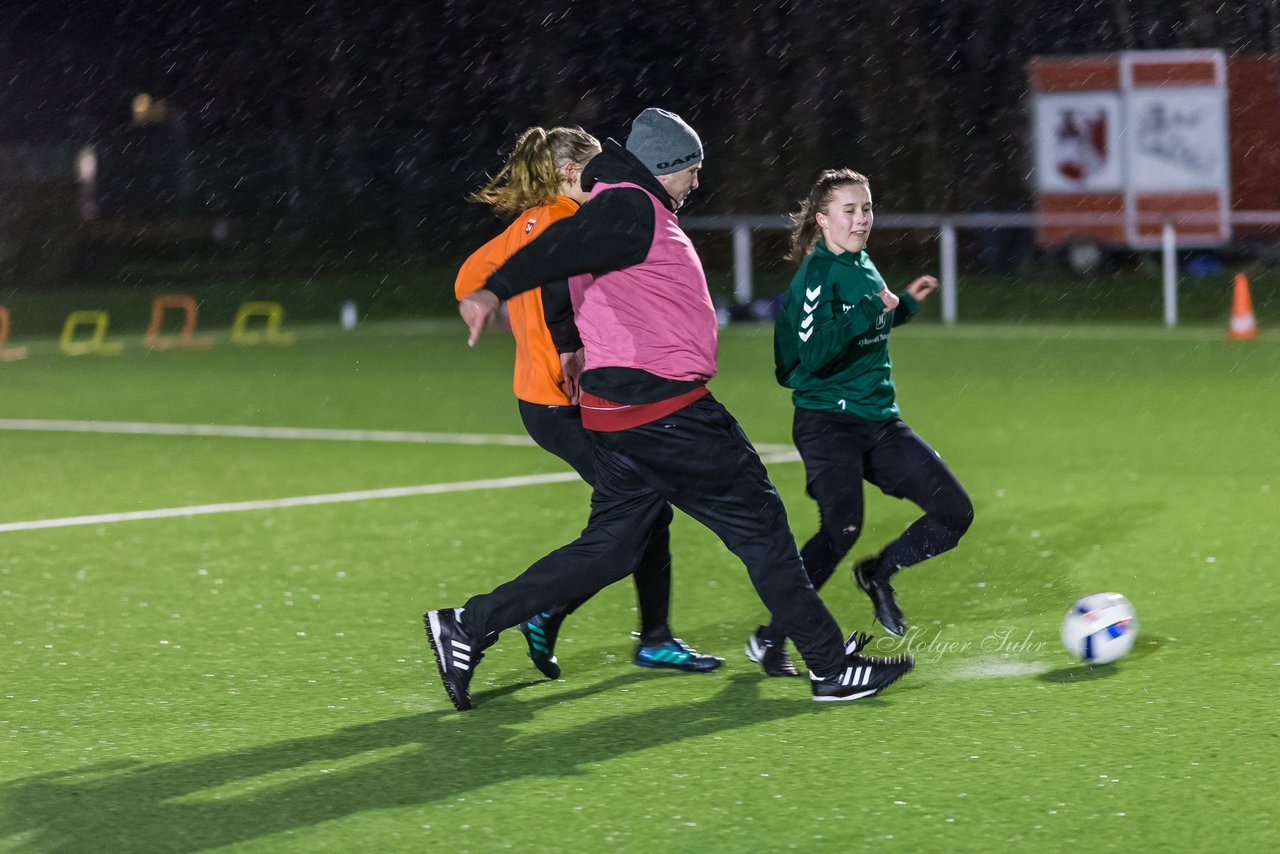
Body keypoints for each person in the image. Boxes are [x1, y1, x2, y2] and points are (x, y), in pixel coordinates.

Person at [425, 109, 913, 710]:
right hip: (668, 414)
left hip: (626, 416)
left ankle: (467, 626)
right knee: (761, 529)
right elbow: (563, 246)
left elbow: (565, 267)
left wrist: (569, 341)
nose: (696, 183)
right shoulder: (628, 203)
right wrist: (493, 291)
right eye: (692, 170)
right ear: (666, 167)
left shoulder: (622, 203)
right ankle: (832, 668)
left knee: (612, 547)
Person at [455, 125, 721, 678]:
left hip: (544, 402)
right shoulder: (568, 219)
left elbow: (468, 280)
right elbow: (557, 293)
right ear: (572, 173)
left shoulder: (525, 224)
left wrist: (508, 318)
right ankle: (524, 616)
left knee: (641, 514)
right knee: (631, 522)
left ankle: (615, 628)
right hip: (568, 400)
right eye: (596, 170)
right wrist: (564, 346)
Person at [747, 168, 973, 677]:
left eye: (866, 208)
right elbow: (813, 353)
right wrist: (869, 309)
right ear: (822, 220)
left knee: (954, 513)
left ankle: (878, 572)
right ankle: (772, 638)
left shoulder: (862, 264)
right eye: (849, 210)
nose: (862, 218)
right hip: (827, 422)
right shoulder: (816, 274)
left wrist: (905, 304)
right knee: (841, 528)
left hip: (878, 421)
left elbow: (872, 320)